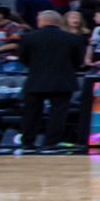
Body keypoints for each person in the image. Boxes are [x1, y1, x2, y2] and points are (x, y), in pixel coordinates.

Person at [16, 11, 87, 150]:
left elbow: (23, 59)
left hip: (36, 80)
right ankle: (52, 143)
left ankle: (27, 142)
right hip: (63, 80)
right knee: (58, 114)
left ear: (41, 21)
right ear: (59, 22)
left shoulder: (28, 37)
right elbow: (78, 61)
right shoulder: (73, 38)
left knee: (31, 113)